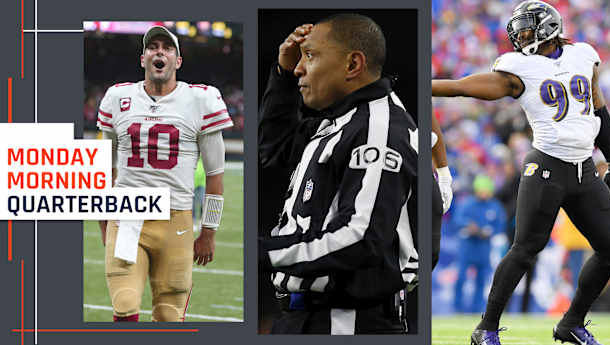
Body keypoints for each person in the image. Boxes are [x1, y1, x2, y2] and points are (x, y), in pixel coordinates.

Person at [432, 1, 610, 344]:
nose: (520, 36)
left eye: (527, 29)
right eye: (518, 30)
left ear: (548, 28)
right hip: (547, 166)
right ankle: (485, 328)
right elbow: (463, 85)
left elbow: (600, 107)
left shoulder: (583, 55)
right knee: (525, 249)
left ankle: (571, 324)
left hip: (584, 169)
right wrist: (425, 85)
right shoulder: (519, 68)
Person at [258, 14, 438, 334]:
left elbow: (361, 237)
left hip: (347, 320)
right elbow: (274, 148)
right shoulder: (342, 121)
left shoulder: (379, 128)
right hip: (308, 315)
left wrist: (263, 253)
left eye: (310, 56)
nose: (299, 67)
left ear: (353, 64)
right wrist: (283, 76)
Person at [97, 25, 232, 322]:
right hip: (127, 215)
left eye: (167, 48)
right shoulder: (117, 98)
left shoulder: (201, 101)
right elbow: (103, 167)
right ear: (142, 59)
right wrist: (103, 219)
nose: (159, 51)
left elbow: (215, 174)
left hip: (177, 219)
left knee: (169, 315)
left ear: (178, 61)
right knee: (124, 302)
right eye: (153, 47)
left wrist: (208, 232)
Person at [452, 175, 506, 313]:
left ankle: (476, 310)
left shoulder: (495, 206)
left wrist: (488, 232)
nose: (484, 193)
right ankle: (457, 308)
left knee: (481, 280)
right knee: (461, 277)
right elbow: (457, 220)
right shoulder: (467, 203)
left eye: (486, 190)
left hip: (484, 246)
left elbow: (500, 226)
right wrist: (468, 226)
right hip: (467, 245)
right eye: (481, 190)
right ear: (476, 189)